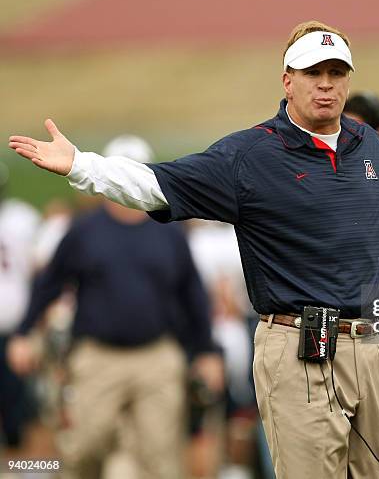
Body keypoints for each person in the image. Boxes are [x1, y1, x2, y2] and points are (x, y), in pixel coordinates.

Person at [8, 20, 379, 479]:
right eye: (313, 72)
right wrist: (81, 165)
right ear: (288, 80)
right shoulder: (249, 156)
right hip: (299, 349)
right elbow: (156, 185)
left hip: (369, 347)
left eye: (336, 72)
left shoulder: (369, 149)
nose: (326, 83)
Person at [7, 136, 223, 479]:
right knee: (85, 448)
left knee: (161, 457)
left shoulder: (169, 232)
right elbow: (49, 284)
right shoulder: (84, 231)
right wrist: (23, 332)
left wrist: (207, 351)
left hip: (157, 355)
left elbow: (192, 294)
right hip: (97, 356)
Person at [0, 161, 40, 451]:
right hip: (16, 320)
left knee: (23, 405)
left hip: (16, 327)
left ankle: (22, 463)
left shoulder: (21, 218)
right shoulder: (22, 218)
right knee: (20, 404)